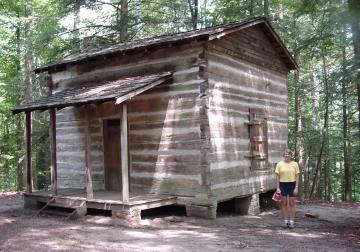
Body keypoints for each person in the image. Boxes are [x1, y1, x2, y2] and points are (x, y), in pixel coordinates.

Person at [275, 149, 300, 229]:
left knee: (292, 203)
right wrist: (277, 188)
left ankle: (292, 222)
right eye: (285, 154)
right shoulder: (279, 164)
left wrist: (296, 187)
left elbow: (297, 176)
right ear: (283, 155)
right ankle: (286, 222)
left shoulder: (295, 164)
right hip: (283, 185)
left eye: (288, 154)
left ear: (291, 156)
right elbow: (277, 177)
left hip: (292, 184)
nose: (287, 155)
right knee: (284, 203)